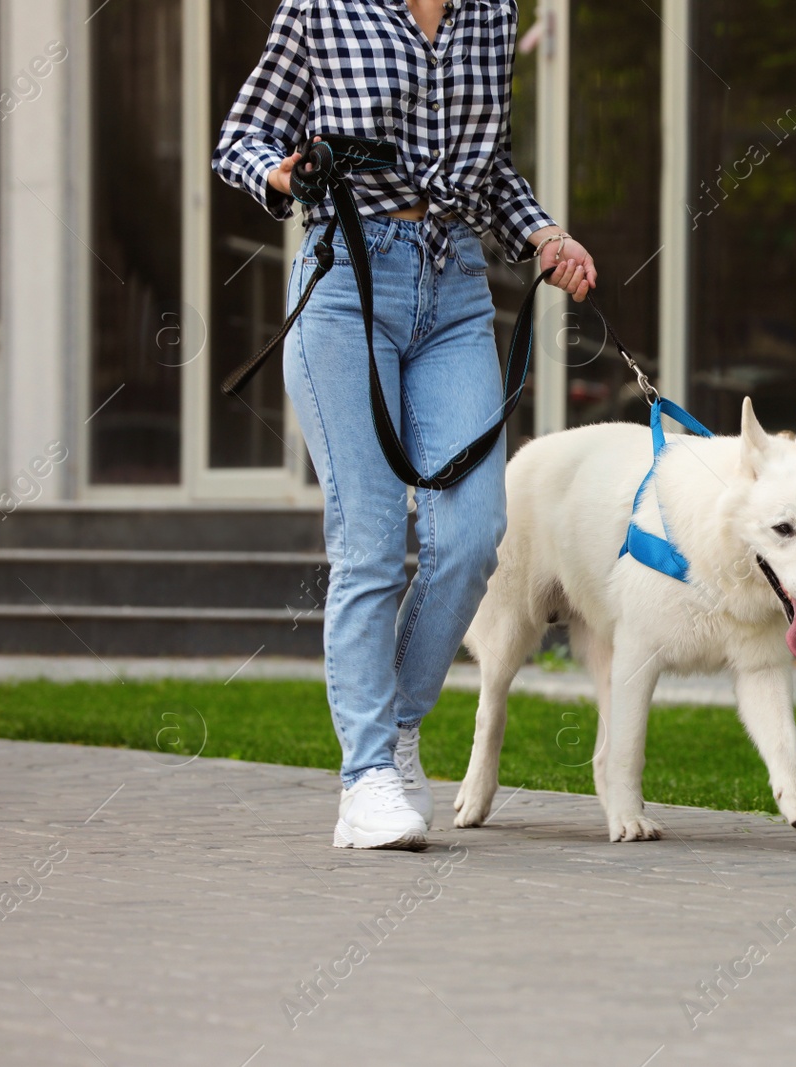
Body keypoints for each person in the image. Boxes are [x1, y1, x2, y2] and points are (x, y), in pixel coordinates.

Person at [213, 0, 595, 850]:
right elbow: (240, 138)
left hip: (455, 287)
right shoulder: (322, 9)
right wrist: (284, 175)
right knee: (373, 540)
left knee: (473, 533)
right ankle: (367, 781)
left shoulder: (491, 16)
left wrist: (542, 236)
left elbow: (489, 172)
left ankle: (391, 732)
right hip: (345, 283)